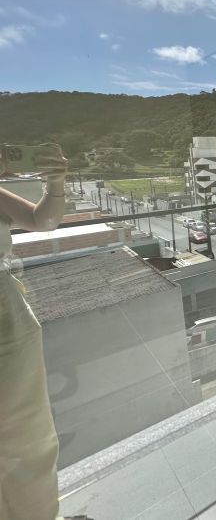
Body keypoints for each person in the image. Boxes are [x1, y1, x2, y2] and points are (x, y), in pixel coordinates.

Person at [0, 145, 88, 520]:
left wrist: (55, 183)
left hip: (8, 315)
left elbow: (43, 221)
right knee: (25, 437)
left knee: (28, 435)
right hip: (7, 320)